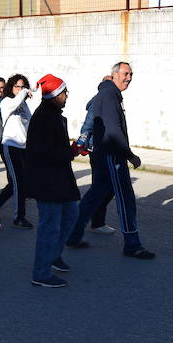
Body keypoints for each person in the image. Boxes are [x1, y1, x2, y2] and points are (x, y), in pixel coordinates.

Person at [66, 62, 154, 259]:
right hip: (111, 154)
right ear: (113, 75)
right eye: (125, 73)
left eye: (131, 74)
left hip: (104, 153)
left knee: (95, 195)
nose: (129, 77)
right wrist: (130, 155)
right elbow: (113, 130)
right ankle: (132, 244)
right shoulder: (109, 95)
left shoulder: (108, 94)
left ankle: (73, 234)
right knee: (126, 199)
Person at [25, 75, 80, 288]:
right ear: (56, 95)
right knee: (50, 226)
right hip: (47, 181)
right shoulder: (44, 117)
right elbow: (43, 153)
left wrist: (70, 151)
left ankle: (53, 255)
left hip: (58, 178)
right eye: (64, 92)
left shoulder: (53, 115)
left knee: (71, 214)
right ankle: (41, 272)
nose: (67, 96)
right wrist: (70, 152)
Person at [0, 74, 33, 229]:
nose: (20, 89)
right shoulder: (7, 102)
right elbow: (16, 100)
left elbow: (30, 124)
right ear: (10, 88)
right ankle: (18, 217)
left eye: (22, 86)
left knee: (20, 181)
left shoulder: (24, 106)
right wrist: (26, 91)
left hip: (24, 147)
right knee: (19, 182)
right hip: (11, 145)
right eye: (17, 86)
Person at [72, 75, 115, 235]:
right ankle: (82, 222)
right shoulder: (100, 101)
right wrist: (81, 143)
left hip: (107, 150)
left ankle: (95, 221)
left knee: (105, 188)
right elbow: (88, 125)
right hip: (98, 151)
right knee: (102, 188)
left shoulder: (110, 100)